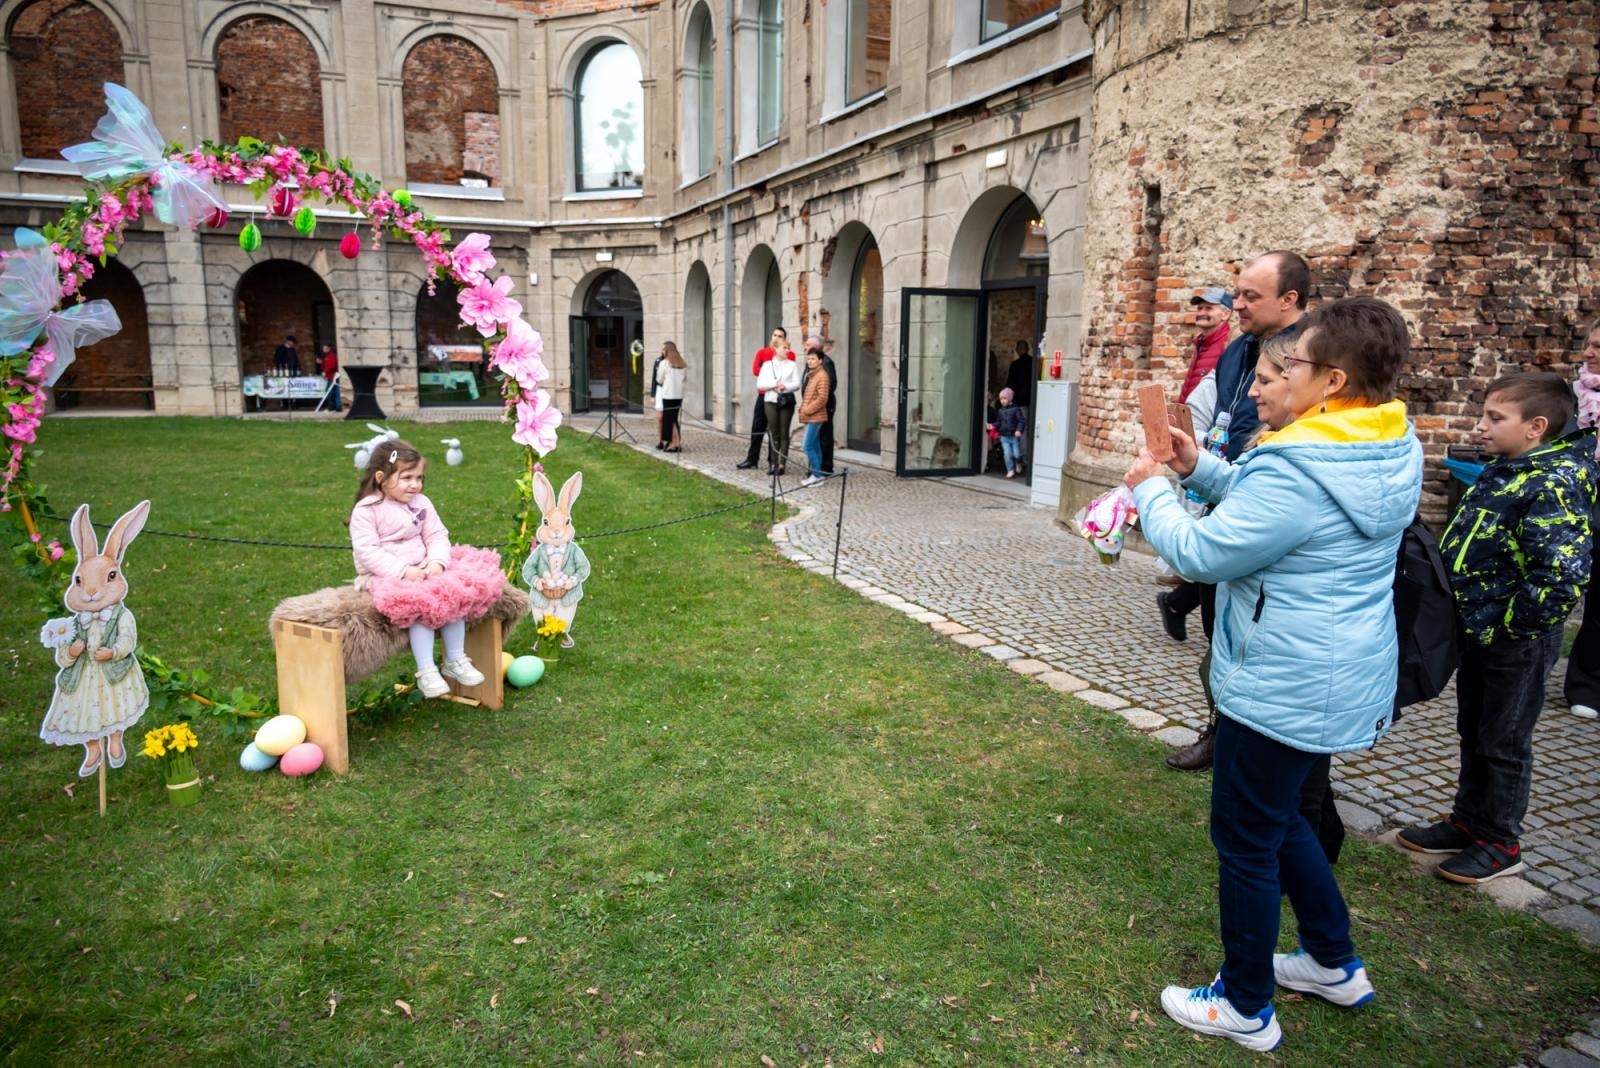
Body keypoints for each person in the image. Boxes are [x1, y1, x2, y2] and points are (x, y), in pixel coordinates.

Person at [1125, 296, 1422, 1053]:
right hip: (1332, 673)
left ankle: (1247, 1003)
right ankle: (1331, 961)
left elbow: (1203, 556)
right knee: (1284, 817)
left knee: (1247, 836)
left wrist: (1152, 489)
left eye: (1290, 366)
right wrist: (1206, 471)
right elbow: (1285, 517)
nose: (1272, 379)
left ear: (1332, 381)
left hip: (1283, 680)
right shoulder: (1382, 442)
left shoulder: (1302, 465)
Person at [1399, 373, 1596, 884]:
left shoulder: (1555, 481)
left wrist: (1509, 626)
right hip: (1480, 631)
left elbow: (1560, 574)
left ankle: (1501, 840)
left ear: (1535, 427)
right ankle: (1468, 821)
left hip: (1516, 640)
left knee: (1505, 740)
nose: (1482, 426)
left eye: (1495, 418)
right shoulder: (1507, 468)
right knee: (1475, 729)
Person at [1159, 252, 1312, 773]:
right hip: (1222, 494)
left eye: (1250, 296)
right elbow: (1218, 409)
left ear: (1289, 300)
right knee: (1218, 626)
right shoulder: (1238, 348)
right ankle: (1223, 730)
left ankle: (1250, 744)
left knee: (1252, 635)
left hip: (1267, 512)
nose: (1237, 304)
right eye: (1238, 293)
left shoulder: (1310, 356)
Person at [348, 440, 504, 700]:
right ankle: (426, 670)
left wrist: (437, 562)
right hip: (387, 575)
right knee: (421, 605)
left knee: (450, 594)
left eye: (419, 477)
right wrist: (403, 571)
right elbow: (368, 552)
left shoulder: (421, 502)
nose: (415, 484)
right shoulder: (367, 510)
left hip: (423, 568)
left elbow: (436, 535)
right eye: (406, 477)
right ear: (381, 478)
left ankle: (455, 659)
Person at [1565, 319, 1600, 719]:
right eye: (1589, 345)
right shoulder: (1575, 398)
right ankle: (1586, 686)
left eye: (1597, 347)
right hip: (1584, 511)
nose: (1588, 353)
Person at [737, 328, 788, 470]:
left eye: (780, 336)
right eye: (775, 335)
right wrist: (774, 377)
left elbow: (788, 372)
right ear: (771, 336)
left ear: (784, 339)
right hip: (763, 394)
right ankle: (752, 459)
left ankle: (774, 461)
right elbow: (755, 370)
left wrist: (769, 376)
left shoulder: (788, 354)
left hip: (779, 396)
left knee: (775, 430)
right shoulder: (762, 352)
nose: (777, 337)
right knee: (757, 428)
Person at [757, 337, 802, 476]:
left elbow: (797, 383)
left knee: (784, 433)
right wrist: (774, 384)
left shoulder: (792, 365)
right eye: (784, 348)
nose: (787, 350)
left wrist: (785, 386)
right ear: (775, 349)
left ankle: (782, 464)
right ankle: (773, 462)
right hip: (770, 400)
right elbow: (760, 384)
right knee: (773, 432)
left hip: (786, 401)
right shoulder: (767, 365)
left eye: (788, 348)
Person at [804, 335, 840, 474]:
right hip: (813, 408)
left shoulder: (826, 363)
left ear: (815, 347)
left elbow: (829, 387)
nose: (805, 347)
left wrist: (812, 405)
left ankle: (823, 468)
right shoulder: (812, 362)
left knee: (822, 438)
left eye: (807, 345)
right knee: (815, 440)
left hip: (822, 408)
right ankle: (816, 468)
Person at [797, 347, 830, 487]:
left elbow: (823, 398)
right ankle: (818, 475)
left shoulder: (822, 376)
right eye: (808, 358)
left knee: (807, 445)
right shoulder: (813, 375)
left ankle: (816, 475)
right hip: (810, 416)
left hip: (815, 417)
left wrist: (808, 410)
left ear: (820, 361)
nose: (810, 361)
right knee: (815, 446)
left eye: (813, 359)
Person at [655, 341, 687, 452]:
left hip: (668, 395)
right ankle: (677, 442)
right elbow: (685, 379)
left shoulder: (664, 363)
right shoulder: (681, 363)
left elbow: (659, 379)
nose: (662, 351)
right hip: (678, 396)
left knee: (669, 420)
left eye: (664, 349)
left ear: (667, 351)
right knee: (674, 419)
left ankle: (674, 443)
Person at [996, 387, 1026, 478]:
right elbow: (999, 422)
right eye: (1001, 399)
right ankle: (1010, 470)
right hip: (1004, 437)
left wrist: (1018, 430)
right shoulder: (1000, 411)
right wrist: (993, 426)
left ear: (1009, 399)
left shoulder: (1016, 409)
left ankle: (1018, 462)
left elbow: (1021, 421)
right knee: (1007, 454)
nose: (1002, 401)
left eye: (1004, 398)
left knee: (1016, 454)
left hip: (1014, 436)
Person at [320, 343, 341, 412]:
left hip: (333, 377)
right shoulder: (327, 356)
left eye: (324, 348)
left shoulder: (331, 355)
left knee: (331, 392)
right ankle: (334, 407)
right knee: (332, 392)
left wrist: (325, 372)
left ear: (328, 348)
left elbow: (332, 365)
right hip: (329, 376)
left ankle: (333, 407)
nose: (323, 349)